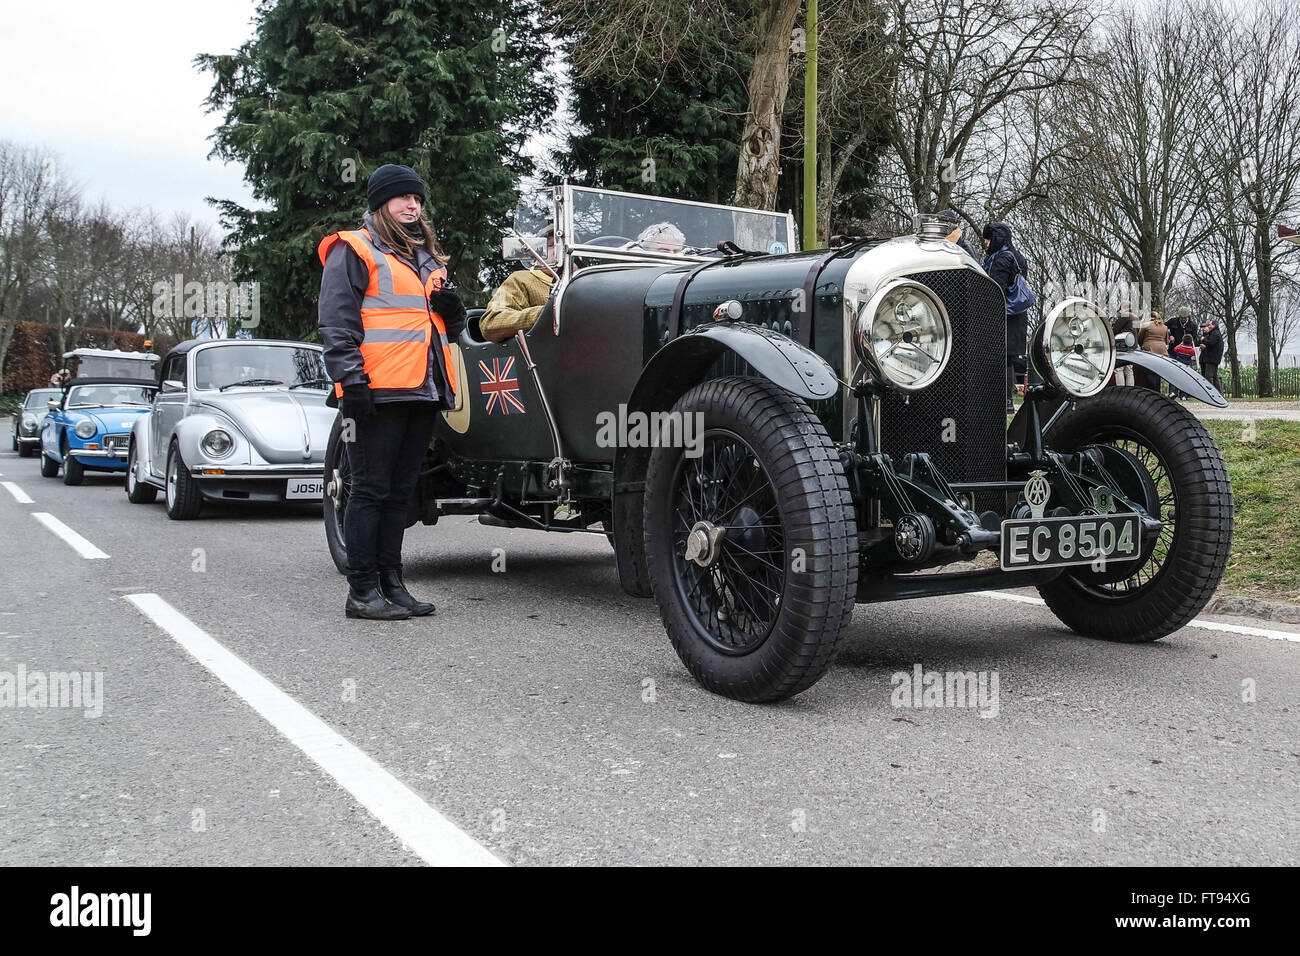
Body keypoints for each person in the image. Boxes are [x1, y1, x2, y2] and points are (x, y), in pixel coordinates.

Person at [317, 164, 467, 621]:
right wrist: (351, 382)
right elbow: (336, 323)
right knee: (369, 490)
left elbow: (449, 332)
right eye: (403, 198)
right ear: (382, 203)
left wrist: (455, 310)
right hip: (376, 390)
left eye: (417, 199)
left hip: (422, 389)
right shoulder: (355, 248)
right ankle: (361, 591)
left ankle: (391, 583)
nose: (412, 205)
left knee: (400, 492)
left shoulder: (428, 259)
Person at [981, 222, 1032, 412]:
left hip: (1003, 314)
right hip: (1017, 314)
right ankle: (1007, 400)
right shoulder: (1019, 257)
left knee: (1001, 358)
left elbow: (996, 289)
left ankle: (1003, 400)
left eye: (988, 239)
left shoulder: (1001, 258)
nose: (986, 243)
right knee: (1008, 358)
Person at [479, 223, 556, 343]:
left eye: (568, 248)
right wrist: (547, 313)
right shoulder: (520, 279)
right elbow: (490, 323)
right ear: (537, 254)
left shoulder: (588, 284)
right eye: (551, 246)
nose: (560, 252)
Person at [1111, 306, 1138, 386]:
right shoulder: (1135, 317)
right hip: (1132, 345)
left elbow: (1115, 330)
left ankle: (1121, 390)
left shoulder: (1125, 316)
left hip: (1122, 344)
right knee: (1129, 370)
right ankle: (1130, 390)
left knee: (1119, 369)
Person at [1200, 318, 1225, 393]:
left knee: (1208, 376)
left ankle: (1211, 392)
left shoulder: (1215, 333)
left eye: (1210, 324)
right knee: (1214, 376)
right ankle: (1218, 392)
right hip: (1215, 357)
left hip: (1211, 358)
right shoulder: (1216, 333)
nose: (1208, 326)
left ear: (1214, 325)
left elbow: (1211, 343)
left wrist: (1203, 339)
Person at [1171, 333, 1197, 399]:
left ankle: (1174, 392)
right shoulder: (1192, 351)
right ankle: (1184, 395)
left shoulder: (1179, 348)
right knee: (1185, 381)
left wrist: (1181, 343)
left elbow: (1175, 349)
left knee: (1176, 379)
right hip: (1186, 366)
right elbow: (1193, 356)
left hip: (1179, 365)